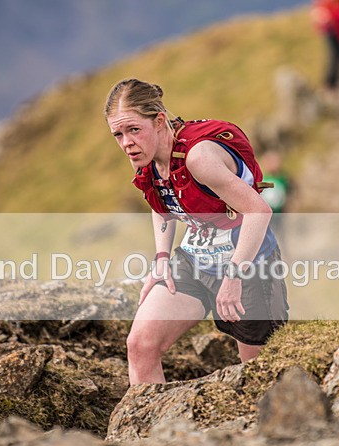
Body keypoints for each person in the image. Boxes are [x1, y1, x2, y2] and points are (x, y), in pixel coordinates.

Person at [104, 79, 289, 385]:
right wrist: (162, 256)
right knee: (140, 346)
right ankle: (147, 431)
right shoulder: (148, 159)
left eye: (134, 130)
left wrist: (233, 276)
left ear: (160, 121)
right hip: (195, 259)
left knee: (260, 377)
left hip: (249, 265)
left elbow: (259, 211)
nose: (126, 143)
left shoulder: (199, 158)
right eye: (118, 134)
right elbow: (161, 201)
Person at [311, 0, 339, 93]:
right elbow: (319, 12)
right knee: (335, 55)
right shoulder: (326, 3)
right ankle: (330, 84)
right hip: (331, 29)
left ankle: (335, 82)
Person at [258, 150, 291, 237]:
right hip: (265, 215)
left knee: (279, 236)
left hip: (279, 214)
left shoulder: (283, 179)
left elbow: (288, 195)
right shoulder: (261, 178)